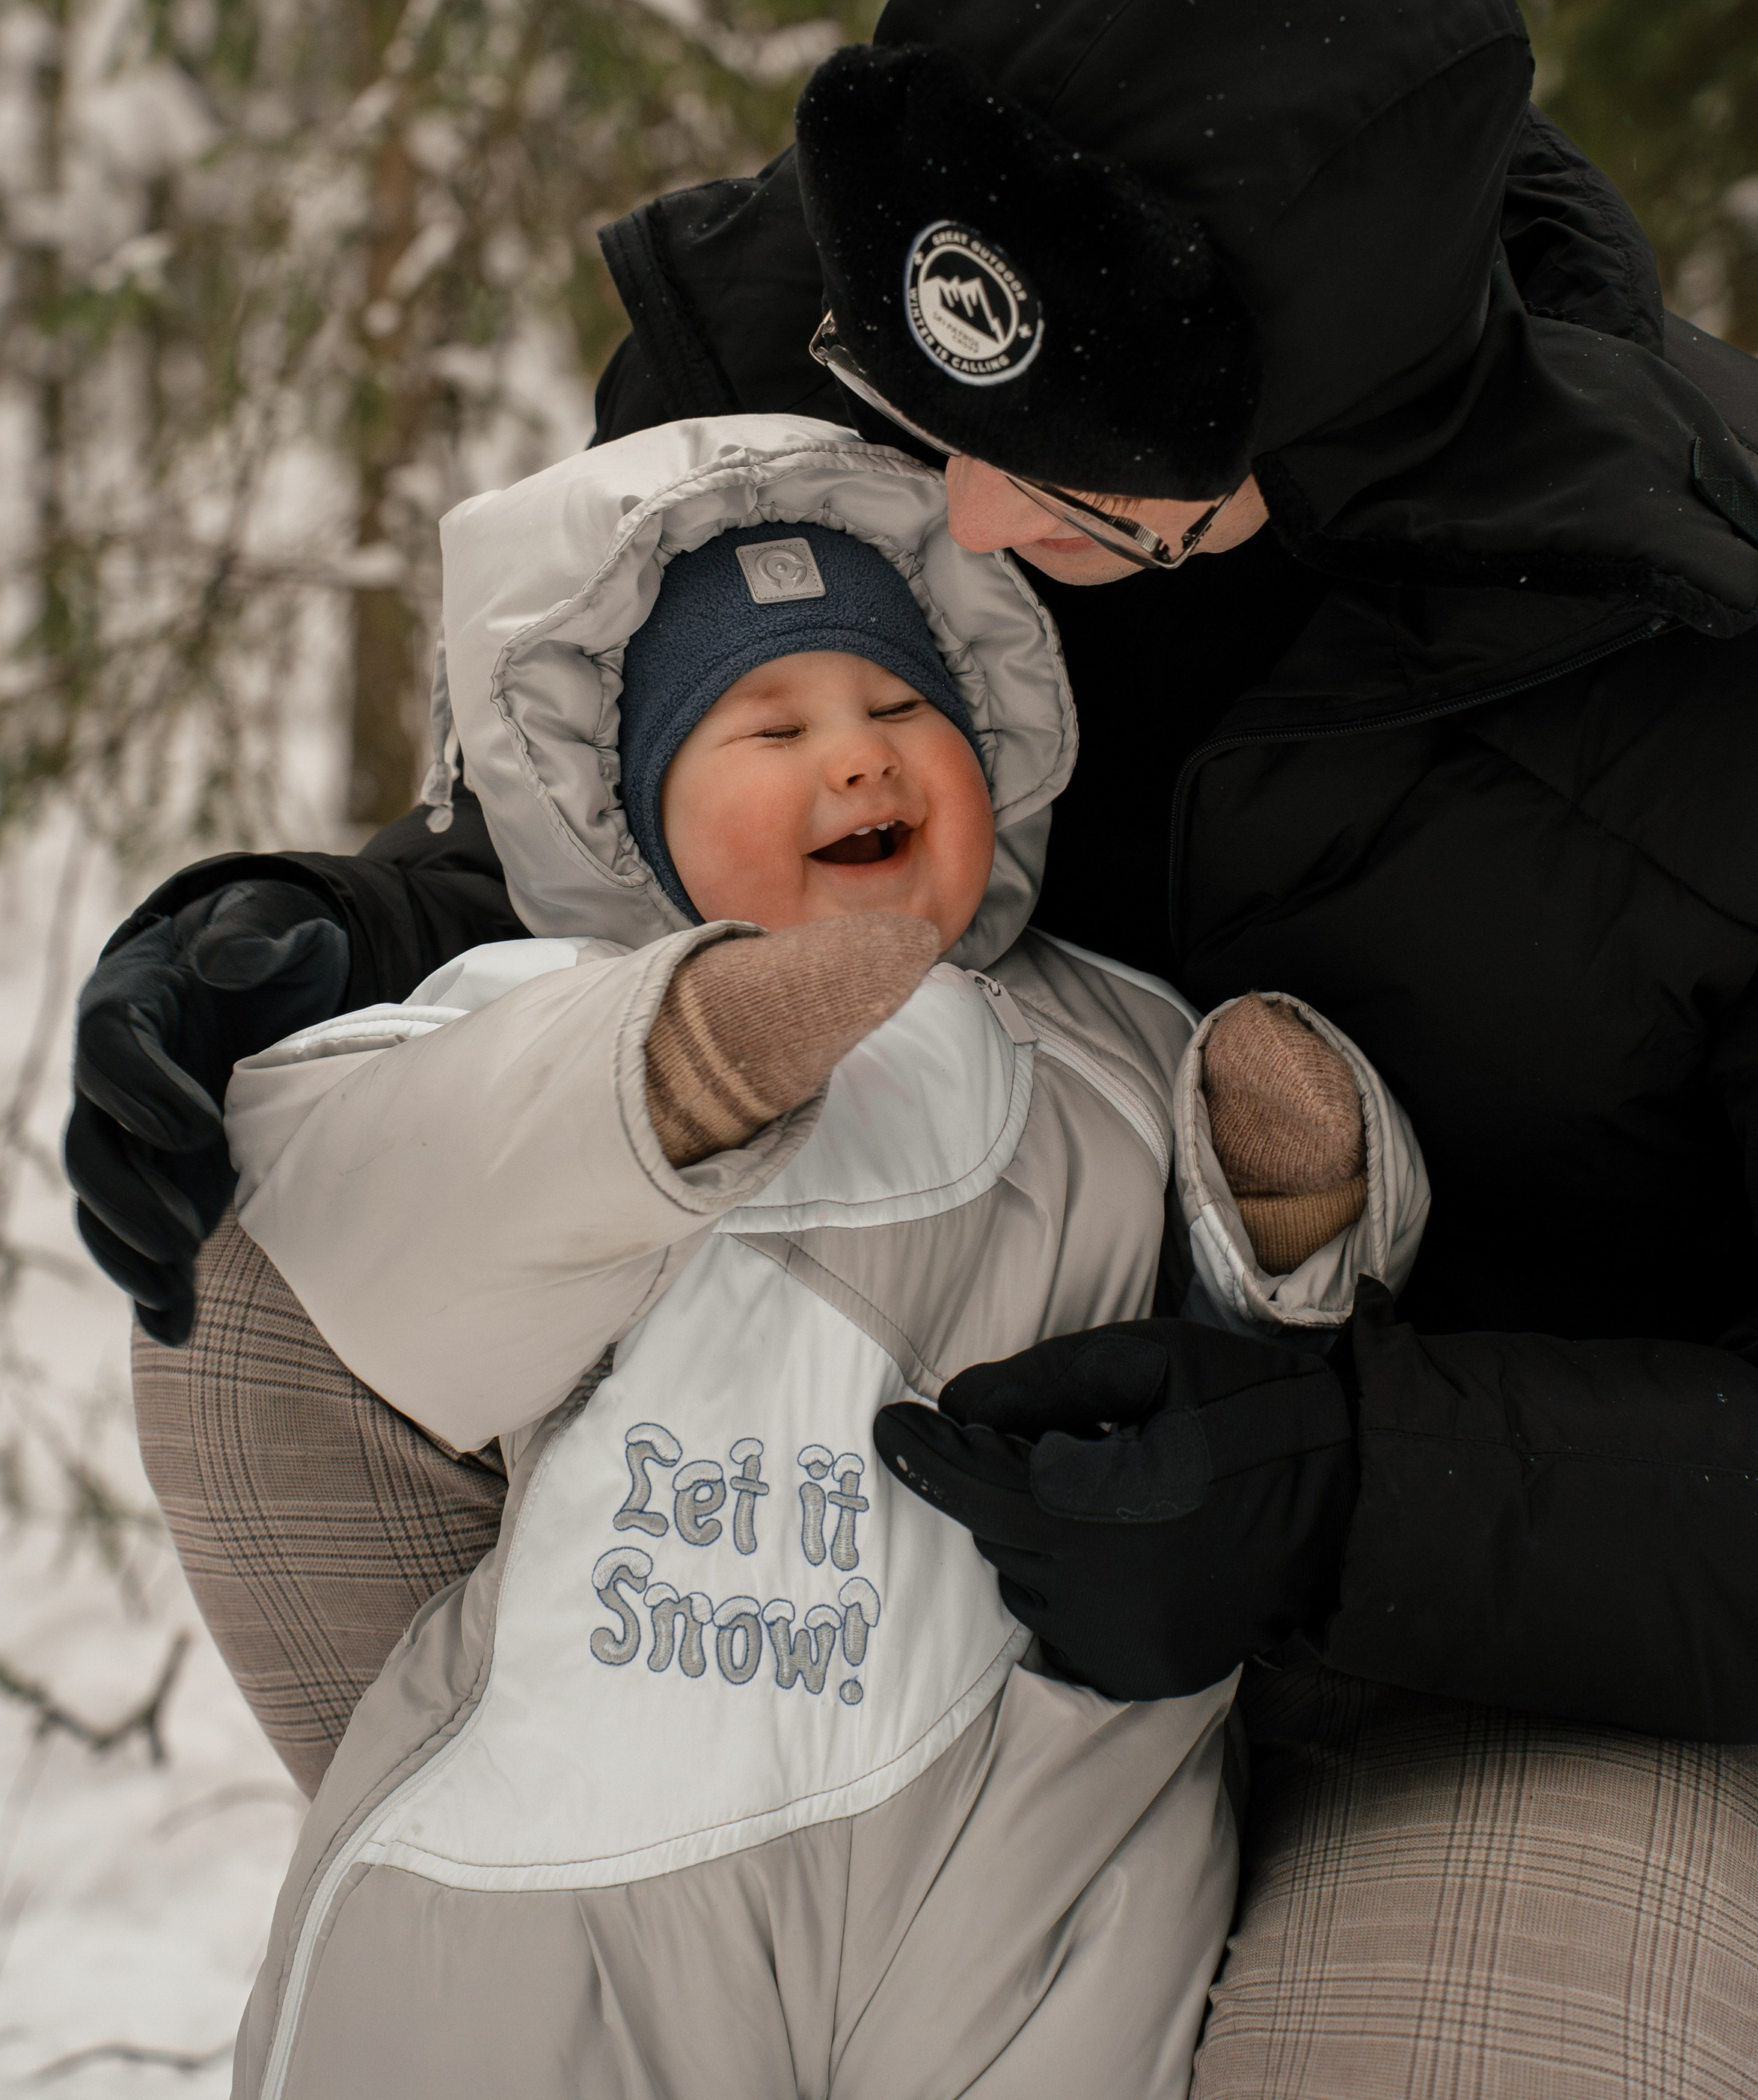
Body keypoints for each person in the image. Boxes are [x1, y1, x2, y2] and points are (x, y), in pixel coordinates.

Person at [74, 0, 1758, 2095]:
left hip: (1508, 1641)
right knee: (251, 1252)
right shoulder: (858, 368)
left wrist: (1347, 1494)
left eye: (1081, 490)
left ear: (1327, 425)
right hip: (864, 1542)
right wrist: (313, 939)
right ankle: (625, 1958)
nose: (969, 524)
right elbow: (635, 845)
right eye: (926, 425)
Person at [224, 416, 1417, 2100]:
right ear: (635, 813)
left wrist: (1286, 1200)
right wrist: (670, 1069)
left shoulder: (1113, 1036)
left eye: (904, 710)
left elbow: (1265, 1349)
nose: (856, 759)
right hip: (596, 1806)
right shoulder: (540, 1017)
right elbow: (386, 1213)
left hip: (1020, 1819)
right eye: (771, 725)